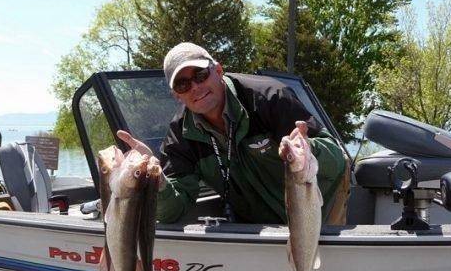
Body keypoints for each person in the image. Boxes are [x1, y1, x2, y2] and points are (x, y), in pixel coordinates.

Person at [118, 42, 348, 225]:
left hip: (319, 205)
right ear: (176, 95)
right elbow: (172, 211)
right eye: (182, 85)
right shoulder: (180, 138)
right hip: (261, 225)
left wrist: (309, 150)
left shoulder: (270, 98)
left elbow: (336, 160)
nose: (195, 87)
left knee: (323, 267)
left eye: (200, 75)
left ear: (218, 70)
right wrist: (155, 182)